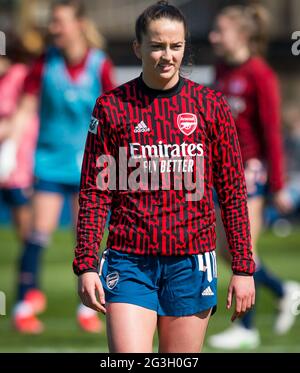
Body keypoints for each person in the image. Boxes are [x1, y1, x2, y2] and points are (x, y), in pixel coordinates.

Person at [73, 0, 255, 353]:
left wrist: (244, 268)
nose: (167, 55)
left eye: (176, 46)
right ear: (138, 47)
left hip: (192, 261)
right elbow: (95, 192)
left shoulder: (211, 105)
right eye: (156, 45)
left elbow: (233, 192)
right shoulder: (111, 107)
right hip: (128, 261)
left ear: (185, 46)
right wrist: (86, 263)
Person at [9, 0, 116, 334]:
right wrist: (9, 146)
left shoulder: (100, 64)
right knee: (36, 234)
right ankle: (25, 303)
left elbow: (115, 114)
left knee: (87, 240)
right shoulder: (44, 63)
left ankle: (89, 307)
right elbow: (25, 108)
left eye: (59, 22)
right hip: (50, 164)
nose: (53, 28)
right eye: (52, 22)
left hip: (90, 167)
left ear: (79, 24)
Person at [208, 4, 300, 349]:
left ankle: (246, 328)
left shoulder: (260, 74)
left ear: (242, 35)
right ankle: (283, 289)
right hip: (221, 171)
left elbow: (271, 133)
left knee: (241, 247)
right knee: (225, 250)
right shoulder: (220, 68)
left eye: (221, 31)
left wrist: (276, 185)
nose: (214, 36)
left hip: (250, 172)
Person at [0, 30, 38, 243]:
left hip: (19, 153)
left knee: (21, 209)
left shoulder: (19, 75)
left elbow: (22, 114)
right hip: (7, 151)